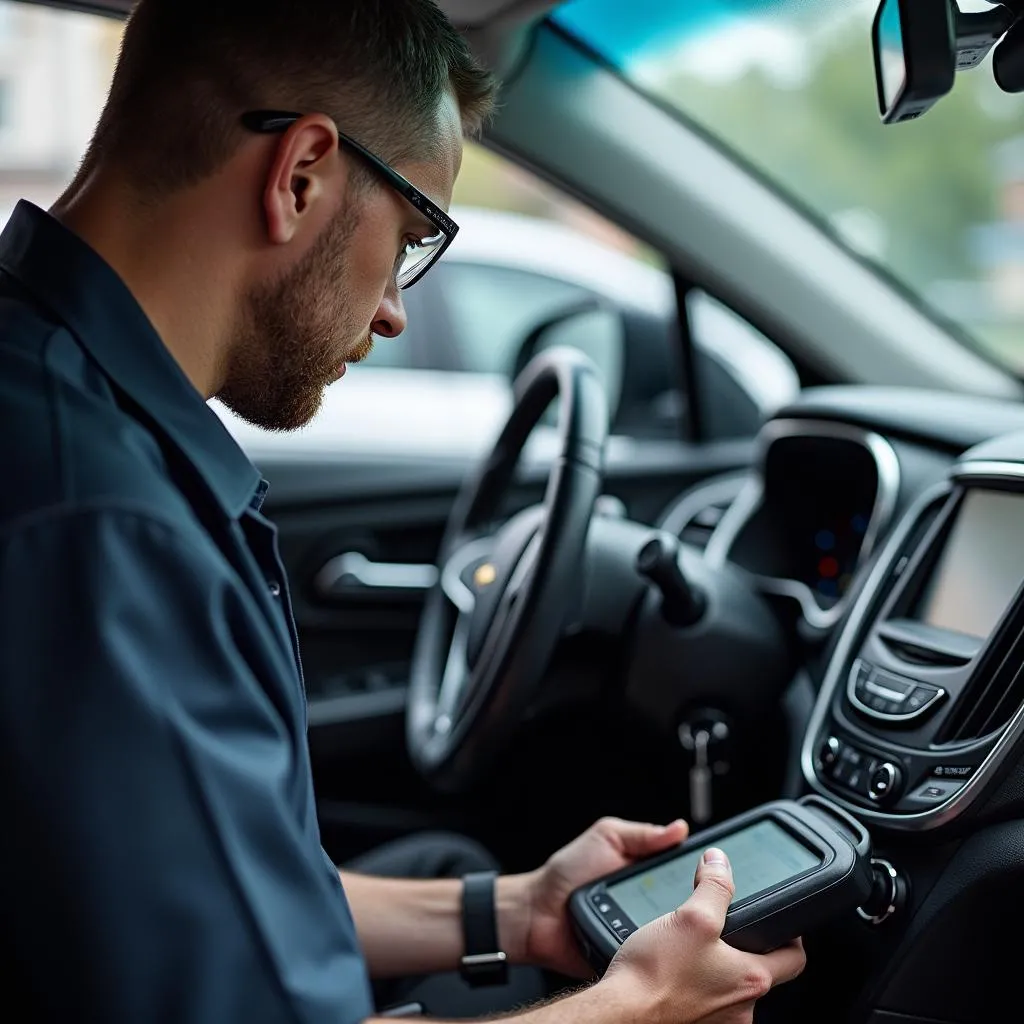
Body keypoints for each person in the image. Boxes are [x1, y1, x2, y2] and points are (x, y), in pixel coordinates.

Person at [0, 1, 805, 1021]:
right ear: (300, 175)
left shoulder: (58, 408)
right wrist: (639, 1006)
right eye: (414, 234)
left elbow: (202, 891)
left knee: (461, 869)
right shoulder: (102, 527)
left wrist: (514, 908)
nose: (394, 309)